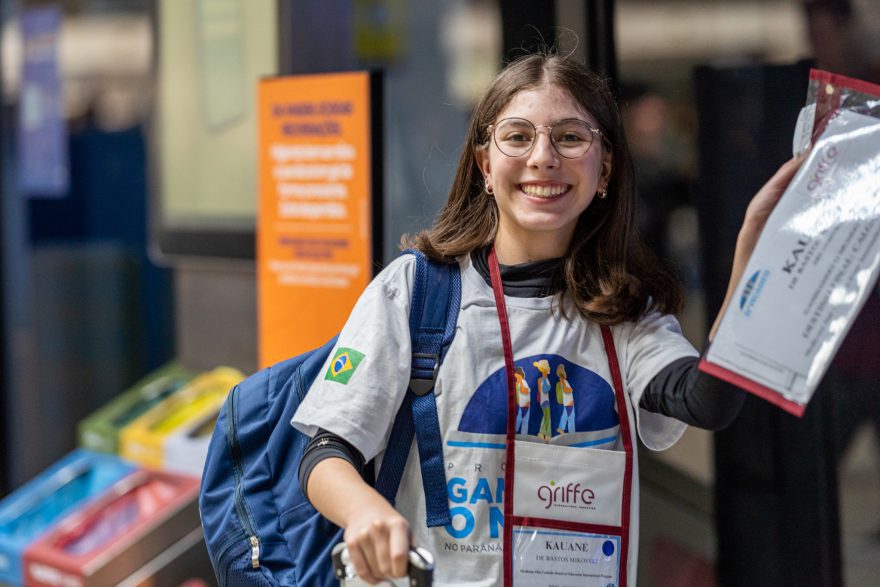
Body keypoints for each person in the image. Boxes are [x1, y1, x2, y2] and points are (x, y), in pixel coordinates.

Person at [292, 53, 805, 586]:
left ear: (603, 167)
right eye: (517, 137)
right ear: (485, 165)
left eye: (570, 137)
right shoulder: (418, 290)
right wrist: (364, 511)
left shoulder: (623, 311)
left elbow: (708, 399)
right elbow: (327, 450)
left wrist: (756, 272)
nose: (543, 157)